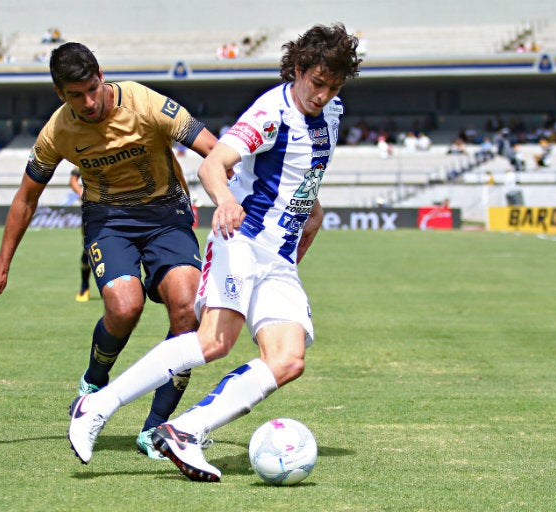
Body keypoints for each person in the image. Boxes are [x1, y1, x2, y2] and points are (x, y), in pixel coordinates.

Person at [67, 23, 361, 482]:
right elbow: (212, 164)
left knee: (288, 358)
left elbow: (300, 173)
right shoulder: (271, 111)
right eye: (317, 83)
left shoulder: (333, 112)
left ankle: (185, 431)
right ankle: (96, 406)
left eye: (333, 87)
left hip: (278, 257)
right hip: (241, 238)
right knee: (215, 342)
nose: (323, 95)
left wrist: (311, 211)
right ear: (298, 69)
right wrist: (226, 199)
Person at [0, 42, 218, 459]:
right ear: (59, 93)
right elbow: (26, 198)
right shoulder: (57, 132)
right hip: (109, 220)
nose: (88, 102)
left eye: (92, 88)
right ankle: (93, 383)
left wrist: (233, 198)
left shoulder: (146, 103)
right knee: (124, 307)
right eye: (75, 95)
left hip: (166, 215)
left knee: (187, 310)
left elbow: (213, 149)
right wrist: (0, 268)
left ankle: (157, 429)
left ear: (101, 75)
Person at [68, 167, 92, 302]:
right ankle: (84, 286)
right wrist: (81, 193)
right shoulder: (88, 153)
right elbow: (72, 180)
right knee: (88, 248)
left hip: (116, 209)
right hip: (92, 210)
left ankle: (111, 287)